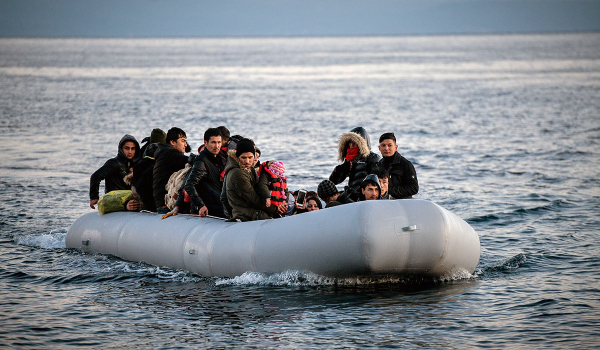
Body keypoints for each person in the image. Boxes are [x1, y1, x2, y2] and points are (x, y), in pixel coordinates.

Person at [224, 138, 286, 221]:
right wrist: (275, 209)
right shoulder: (238, 173)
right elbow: (253, 199)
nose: (247, 161)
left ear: (254, 156)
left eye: (250, 157)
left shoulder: (250, 169)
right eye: (243, 157)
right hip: (246, 214)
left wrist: (281, 202)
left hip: (254, 211)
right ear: (238, 157)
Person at [182, 128, 226, 218]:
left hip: (220, 206)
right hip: (210, 210)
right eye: (213, 142)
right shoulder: (201, 162)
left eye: (219, 142)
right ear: (206, 143)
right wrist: (200, 205)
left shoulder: (221, 159)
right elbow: (189, 185)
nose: (217, 146)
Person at [90, 134, 141, 211]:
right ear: (121, 149)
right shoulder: (114, 163)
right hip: (114, 200)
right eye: (127, 148)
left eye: (133, 149)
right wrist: (94, 197)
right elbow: (95, 176)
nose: (130, 152)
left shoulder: (136, 165)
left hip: (129, 200)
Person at [329, 127, 381, 201]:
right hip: (351, 194)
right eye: (350, 142)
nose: (352, 144)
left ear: (362, 143)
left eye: (355, 142)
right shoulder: (349, 158)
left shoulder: (373, 157)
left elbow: (377, 180)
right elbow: (333, 181)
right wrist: (341, 169)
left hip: (365, 195)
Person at [153, 127, 189, 214]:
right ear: (172, 142)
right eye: (183, 141)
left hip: (161, 204)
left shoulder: (164, 154)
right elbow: (191, 161)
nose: (186, 145)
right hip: (166, 205)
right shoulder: (172, 155)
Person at [377, 132, 418, 199]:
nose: (386, 148)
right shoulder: (378, 165)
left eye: (389, 145)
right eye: (383, 145)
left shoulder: (406, 164)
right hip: (383, 202)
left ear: (396, 147)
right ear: (379, 148)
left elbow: (414, 188)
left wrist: (389, 190)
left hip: (402, 203)